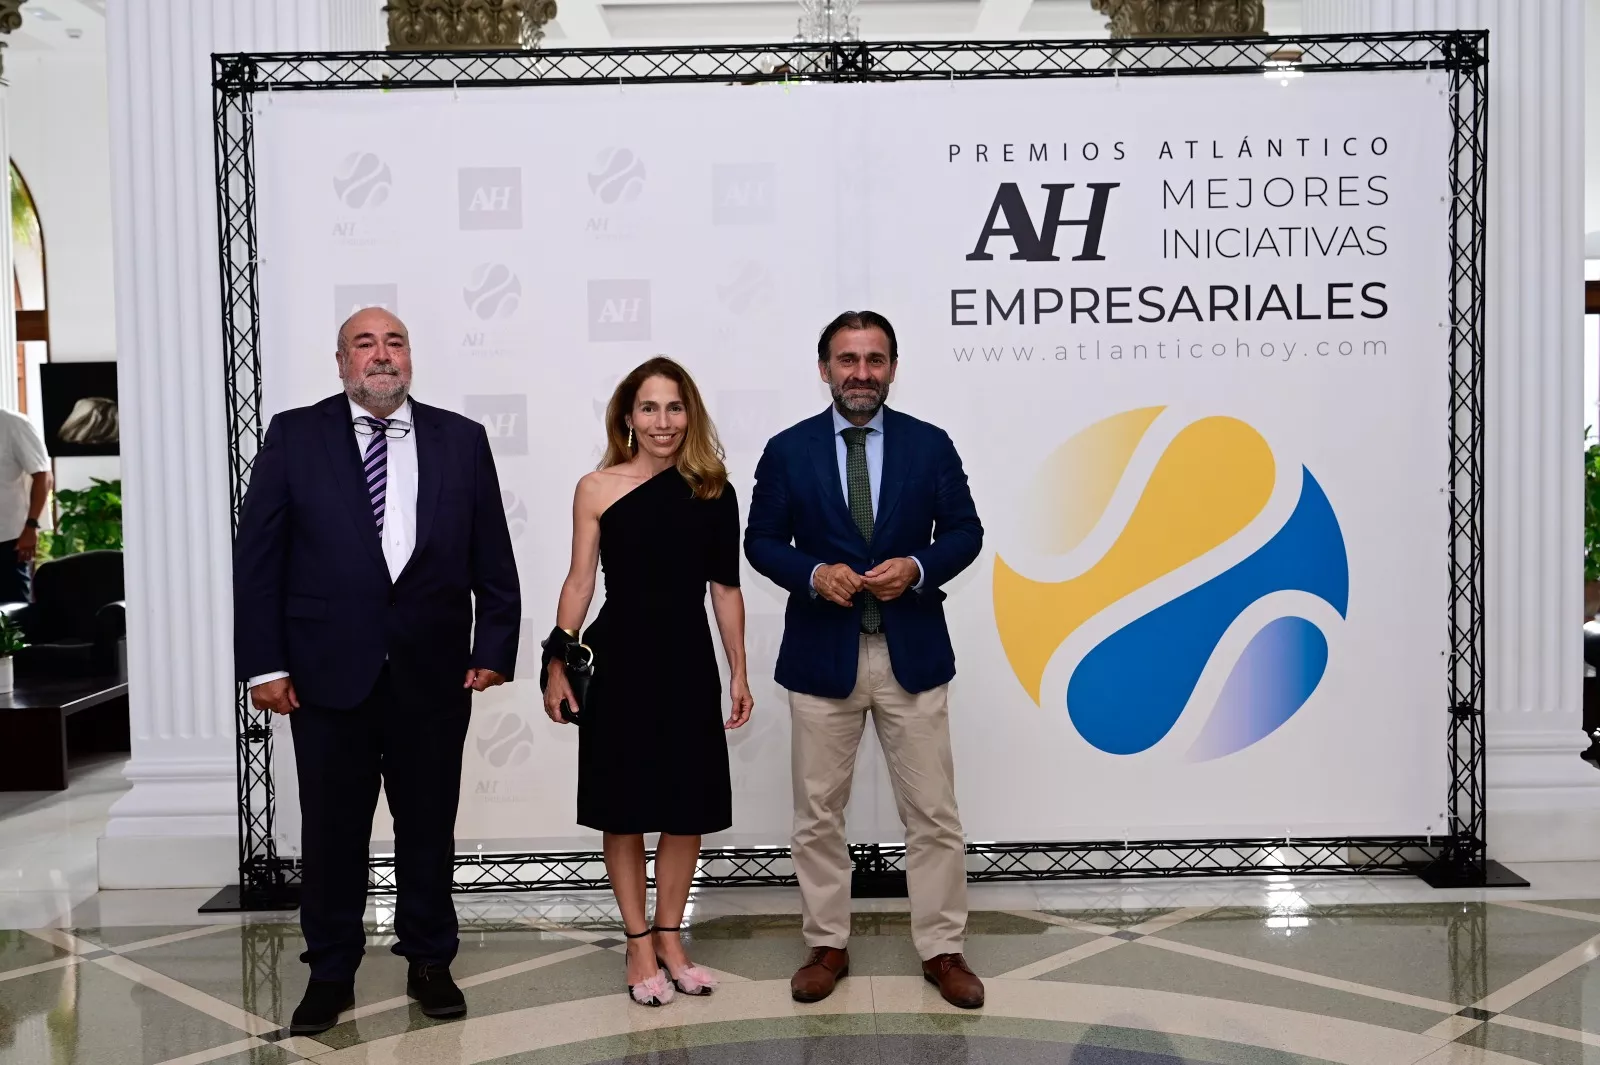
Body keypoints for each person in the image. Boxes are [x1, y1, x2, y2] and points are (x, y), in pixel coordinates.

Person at [232, 308, 520, 1035]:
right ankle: (330, 970)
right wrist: (264, 665)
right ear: (341, 362)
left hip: (433, 673)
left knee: (428, 827)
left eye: (395, 342)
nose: (381, 355)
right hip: (325, 675)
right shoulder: (295, 435)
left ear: (410, 358)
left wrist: (494, 647)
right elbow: (258, 560)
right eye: (365, 343)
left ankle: (430, 960)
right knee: (333, 833)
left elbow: (492, 552)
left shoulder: (461, 438)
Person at [744, 310, 986, 1009]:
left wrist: (917, 566)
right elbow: (761, 541)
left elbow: (965, 532)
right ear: (824, 368)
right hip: (822, 658)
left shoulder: (930, 444)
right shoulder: (787, 449)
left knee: (933, 813)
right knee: (818, 813)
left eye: (874, 359)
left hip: (912, 653)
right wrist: (813, 573)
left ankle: (942, 949)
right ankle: (827, 943)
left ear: (892, 369)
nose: (861, 373)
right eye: (847, 360)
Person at [542, 356, 753, 1007]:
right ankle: (637, 944)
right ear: (628, 417)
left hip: (688, 660)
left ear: (690, 414)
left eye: (675, 407)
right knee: (625, 807)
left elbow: (725, 589)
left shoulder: (714, 491)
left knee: (687, 809)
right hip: (620, 660)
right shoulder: (595, 487)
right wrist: (557, 661)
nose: (663, 421)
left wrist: (739, 668)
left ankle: (670, 938)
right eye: (650, 407)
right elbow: (580, 581)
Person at [0, 408, 50, 604]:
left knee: (14, 610)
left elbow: (43, 477)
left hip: (8, 540)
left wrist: (31, 526)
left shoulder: (13, 423)